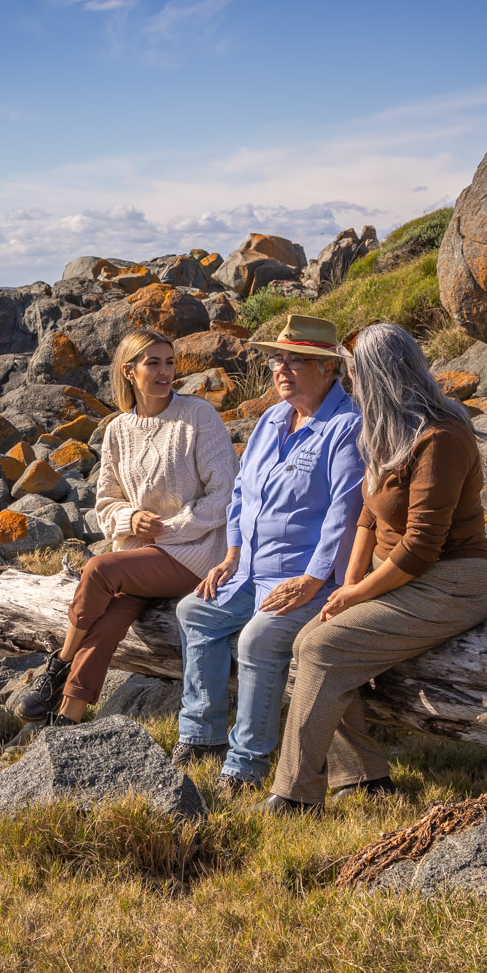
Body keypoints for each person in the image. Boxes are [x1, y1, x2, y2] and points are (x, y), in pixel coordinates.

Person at [263, 321, 487, 814]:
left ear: (381, 374)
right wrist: (349, 584)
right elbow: (369, 515)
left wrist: (356, 595)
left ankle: (294, 794)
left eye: (355, 373)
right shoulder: (388, 429)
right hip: (397, 577)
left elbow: (421, 546)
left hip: (452, 582)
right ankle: (365, 778)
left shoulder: (442, 435)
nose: (349, 384)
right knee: (311, 638)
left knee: (324, 647)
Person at [175, 313, 365, 794]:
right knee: (195, 612)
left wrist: (316, 580)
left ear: (327, 369)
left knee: (256, 641)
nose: (281, 368)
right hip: (250, 570)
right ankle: (201, 735)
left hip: (303, 579)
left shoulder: (345, 428)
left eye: (296, 360)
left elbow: (346, 513)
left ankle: (246, 765)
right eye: (278, 358)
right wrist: (231, 554)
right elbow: (241, 493)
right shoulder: (271, 419)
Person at [8, 328, 238, 725]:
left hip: (194, 554)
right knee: (110, 620)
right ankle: (68, 717)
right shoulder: (117, 430)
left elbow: (224, 495)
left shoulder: (198, 416)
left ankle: (57, 665)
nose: (165, 372)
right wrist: (131, 519)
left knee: (97, 568)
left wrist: (165, 529)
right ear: (129, 372)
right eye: (154, 363)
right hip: (140, 556)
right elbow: (105, 502)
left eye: (169, 362)